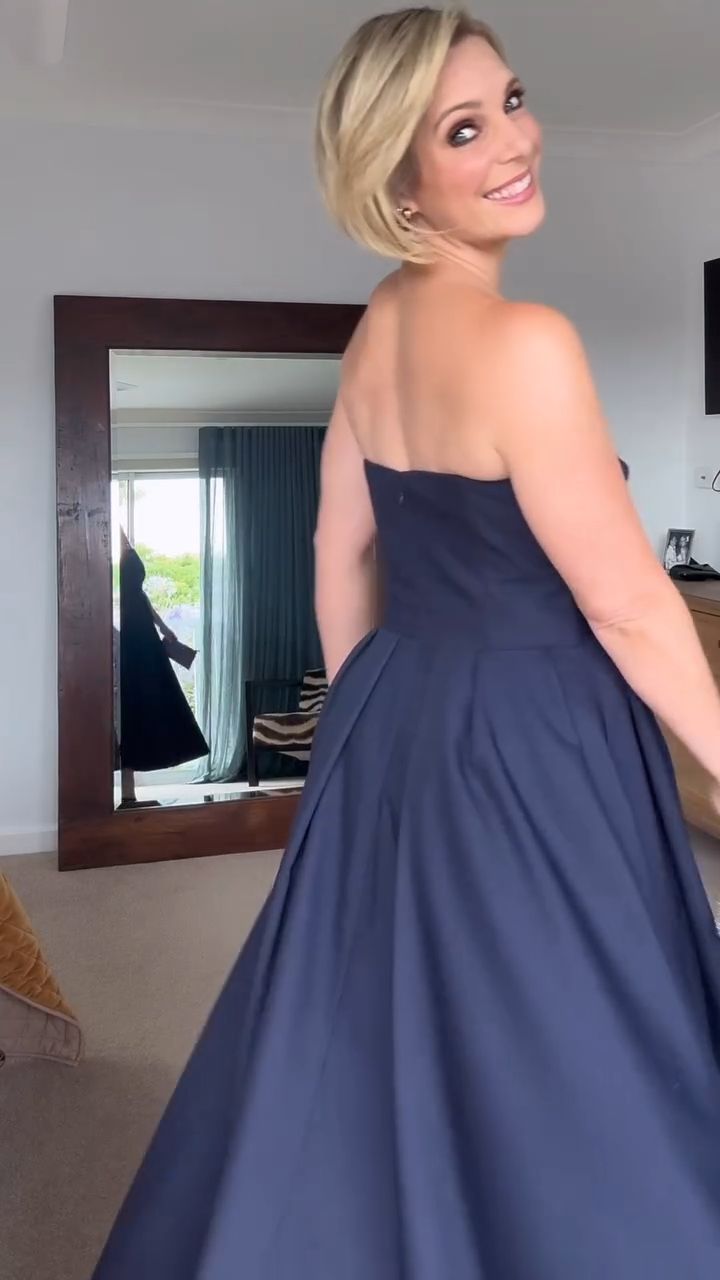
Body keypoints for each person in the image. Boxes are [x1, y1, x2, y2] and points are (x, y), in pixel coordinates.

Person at [93, 10, 720, 1277]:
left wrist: (369, 714)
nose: (518, 142)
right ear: (398, 180)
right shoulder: (528, 343)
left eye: (512, 102)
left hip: (403, 699)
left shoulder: (379, 322)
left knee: (405, 994)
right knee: (574, 1009)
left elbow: (338, 546)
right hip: (536, 718)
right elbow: (628, 606)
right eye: (464, 130)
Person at [117, 528, 208, 804]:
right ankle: (128, 790)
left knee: (158, 702)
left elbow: (146, 604)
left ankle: (130, 791)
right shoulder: (127, 592)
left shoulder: (136, 592)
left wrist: (165, 628)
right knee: (140, 708)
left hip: (145, 645)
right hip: (136, 648)